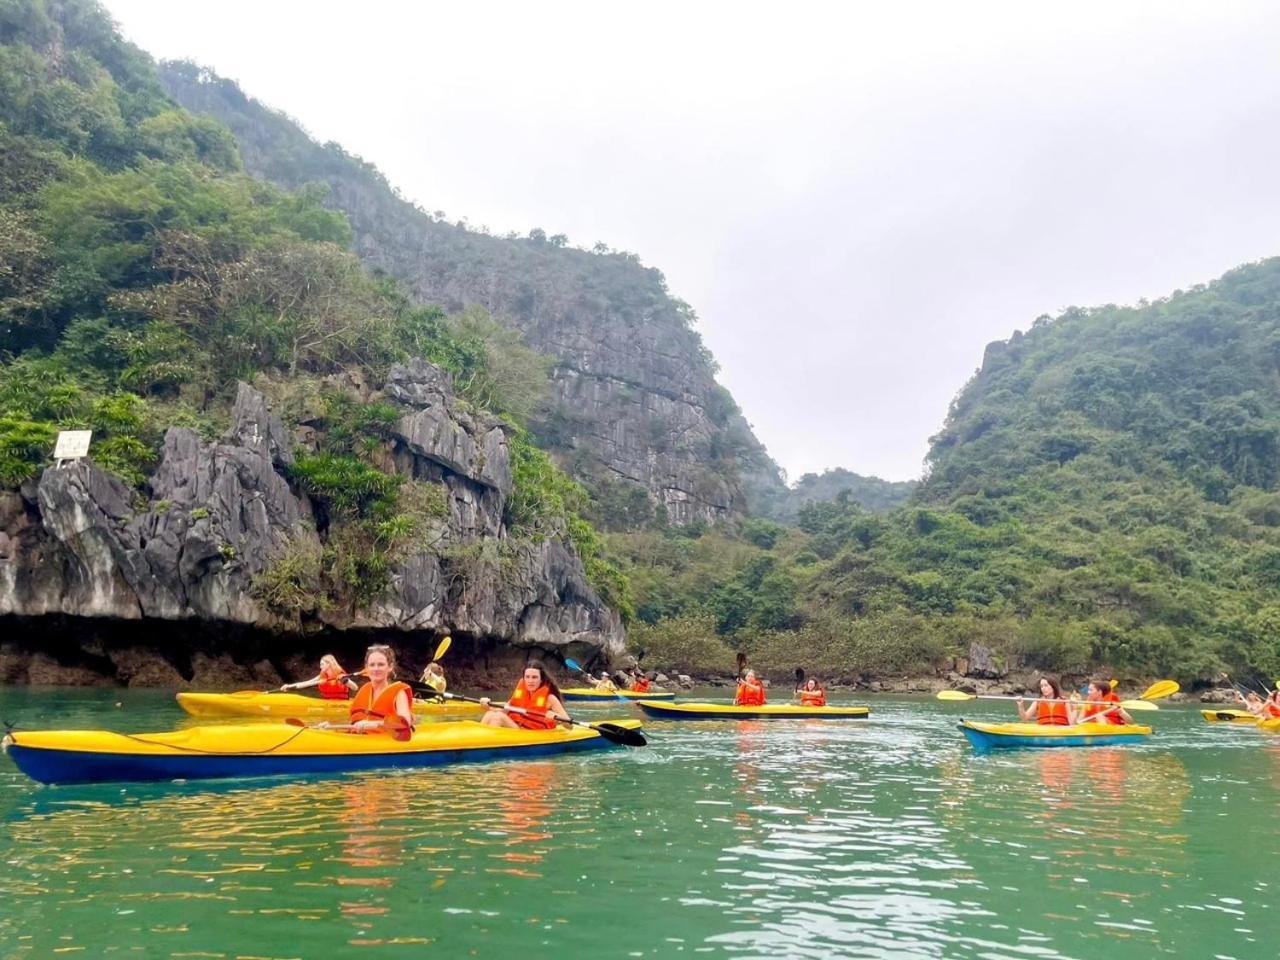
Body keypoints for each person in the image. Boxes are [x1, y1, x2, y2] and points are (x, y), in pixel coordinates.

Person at [480, 661, 570, 730]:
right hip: (518, 728)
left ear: (541, 679)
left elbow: (570, 726)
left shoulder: (550, 698)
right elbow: (505, 709)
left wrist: (558, 717)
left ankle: (488, 747)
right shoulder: (521, 692)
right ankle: (478, 740)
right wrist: (488, 705)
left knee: (498, 717)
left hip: (533, 733)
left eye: (534, 677)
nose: (530, 681)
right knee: (490, 714)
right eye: (527, 677)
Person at [347, 645, 415, 734]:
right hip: (360, 738)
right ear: (366, 668)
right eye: (372, 665)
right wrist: (329, 728)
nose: (376, 669)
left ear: (390, 667)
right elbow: (353, 724)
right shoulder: (364, 690)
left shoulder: (399, 693)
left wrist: (373, 724)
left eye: (381, 664)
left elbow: (405, 722)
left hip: (384, 740)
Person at [280, 654, 356, 700]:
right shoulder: (322, 676)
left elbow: (355, 688)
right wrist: (289, 686)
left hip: (340, 705)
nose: (320, 667)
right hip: (326, 703)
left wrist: (346, 681)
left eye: (322, 664)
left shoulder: (340, 675)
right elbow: (307, 683)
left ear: (329, 664)